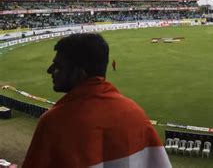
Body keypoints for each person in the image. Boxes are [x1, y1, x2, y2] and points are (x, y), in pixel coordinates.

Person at [23, 33, 171, 168]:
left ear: (80, 74)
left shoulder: (53, 122)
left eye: (58, 66)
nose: (50, 70)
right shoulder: (136, 113)